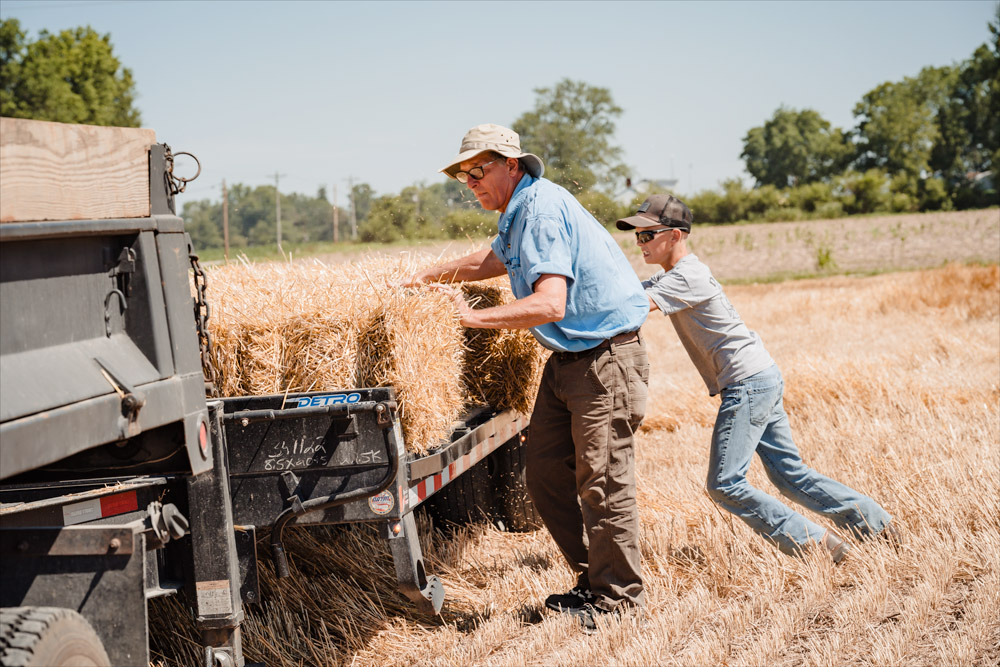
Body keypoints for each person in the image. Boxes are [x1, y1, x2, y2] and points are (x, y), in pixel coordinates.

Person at [405, 124, 650, 632]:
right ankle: (595, 580)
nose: (470, 182)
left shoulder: (538, 210)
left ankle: (620, 600)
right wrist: (429, 275)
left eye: (479, 170)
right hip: (569, 361)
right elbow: (494, 259)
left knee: (603, 482)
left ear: (512, 166)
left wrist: (466, 319)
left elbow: (550, 302)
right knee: (542, 476)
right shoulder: (519, 213)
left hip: (603, 359)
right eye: (463, 176)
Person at [617, 194, 899, 563]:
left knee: (725, 484)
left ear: (674, 236)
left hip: (748, 383)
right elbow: (626, 292)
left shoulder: (686, 276)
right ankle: (875, 526)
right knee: (789, 475)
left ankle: (819, 549)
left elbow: (631, 308)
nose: (639, 244)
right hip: (758, 376)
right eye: (636, 237)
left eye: (646, 235)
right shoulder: (673, 275)